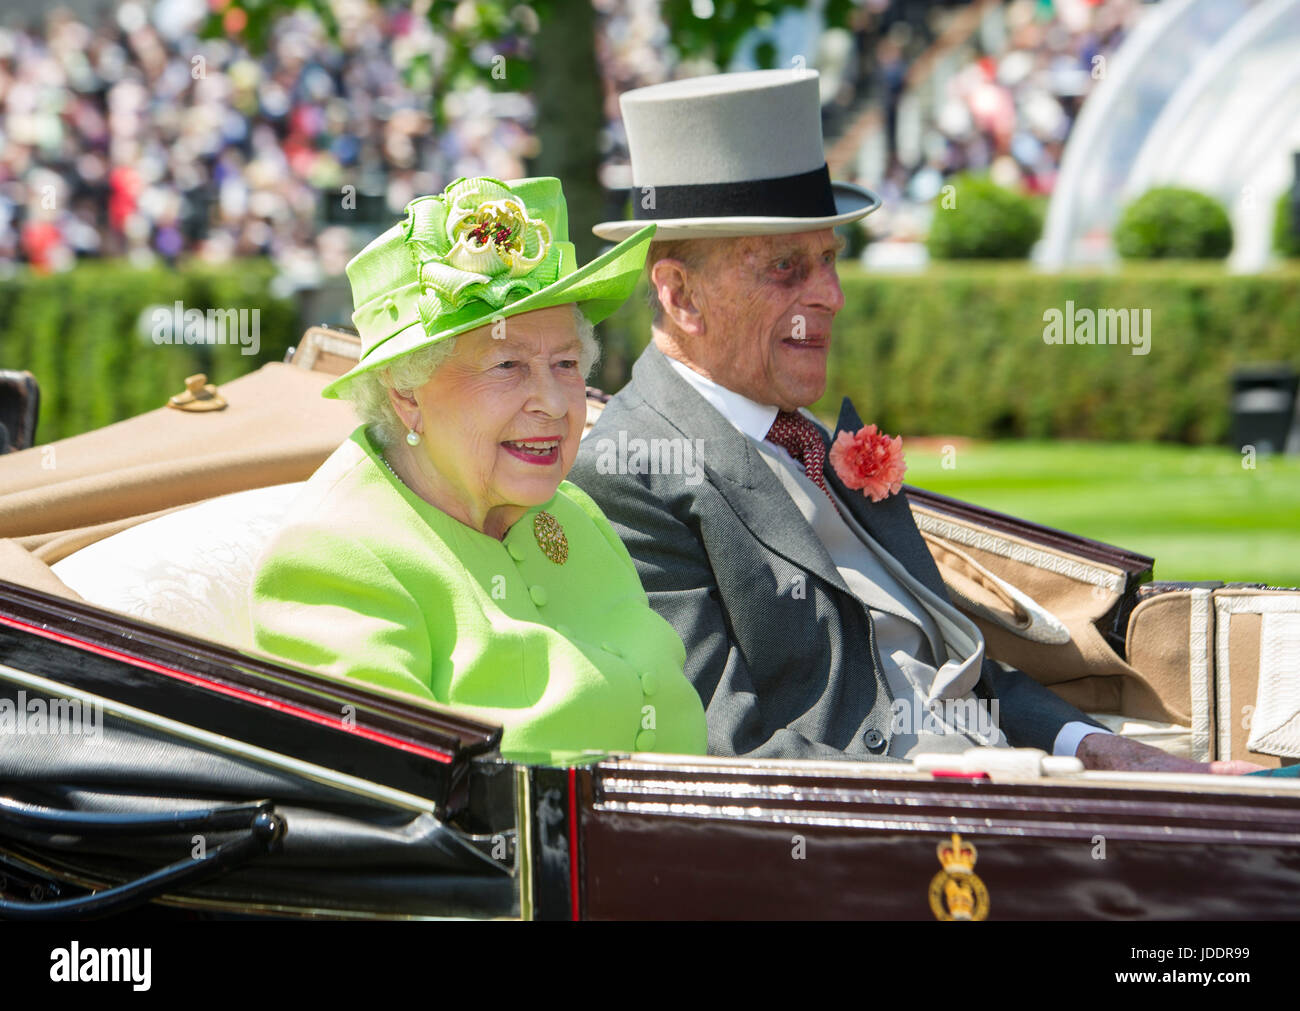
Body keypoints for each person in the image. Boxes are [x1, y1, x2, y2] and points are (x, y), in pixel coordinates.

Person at [572, 71, 1258, 773]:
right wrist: (1025, 779)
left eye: (830, 259)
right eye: (786, 266)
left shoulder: (808, 437)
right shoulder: (634, 471)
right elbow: (730, 751)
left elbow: (952, 665)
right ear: (681, 294)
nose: (832, 296)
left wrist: (1101, 748)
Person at [250, 175, 707, 762]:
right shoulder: (333, 561)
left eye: (566, 363)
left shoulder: (578, 514)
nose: (553, 401)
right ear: (405, 391)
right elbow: (398, 818)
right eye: (508, 365)